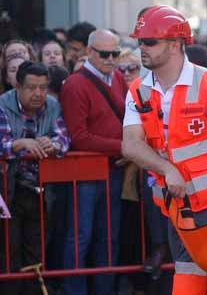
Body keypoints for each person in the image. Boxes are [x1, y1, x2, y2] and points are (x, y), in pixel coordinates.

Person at [122, 5, 207, 295]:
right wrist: (168, 169)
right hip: (176, 205)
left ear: (174, 45)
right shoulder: (138, 90)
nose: (141, 47)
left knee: (202, 278)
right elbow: (130, 144)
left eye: (149, 41)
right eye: (140, 41)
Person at [59, 29, 128, 295]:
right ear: (89, 52)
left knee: (108, 239)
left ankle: (105, 290)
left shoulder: (118, 78)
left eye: (115, 53)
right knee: (81, 237)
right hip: (87, 171)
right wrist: (123, 147)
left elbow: (125, 118)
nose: (111, 59)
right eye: (105, 54)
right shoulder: (76, 84)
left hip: (113, 169)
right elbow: (79, 137)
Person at [0, 62, 70, 295]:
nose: (38, 93)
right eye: (31, 87)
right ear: (18, 86)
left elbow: (64, 138)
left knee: (37, 251)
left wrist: (53, 144)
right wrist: (20, 143)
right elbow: (2, 144)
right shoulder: (3, 104)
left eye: (43, 87)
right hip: (8, 189)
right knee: (9, 251)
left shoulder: (52, 105)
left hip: (41, 189)